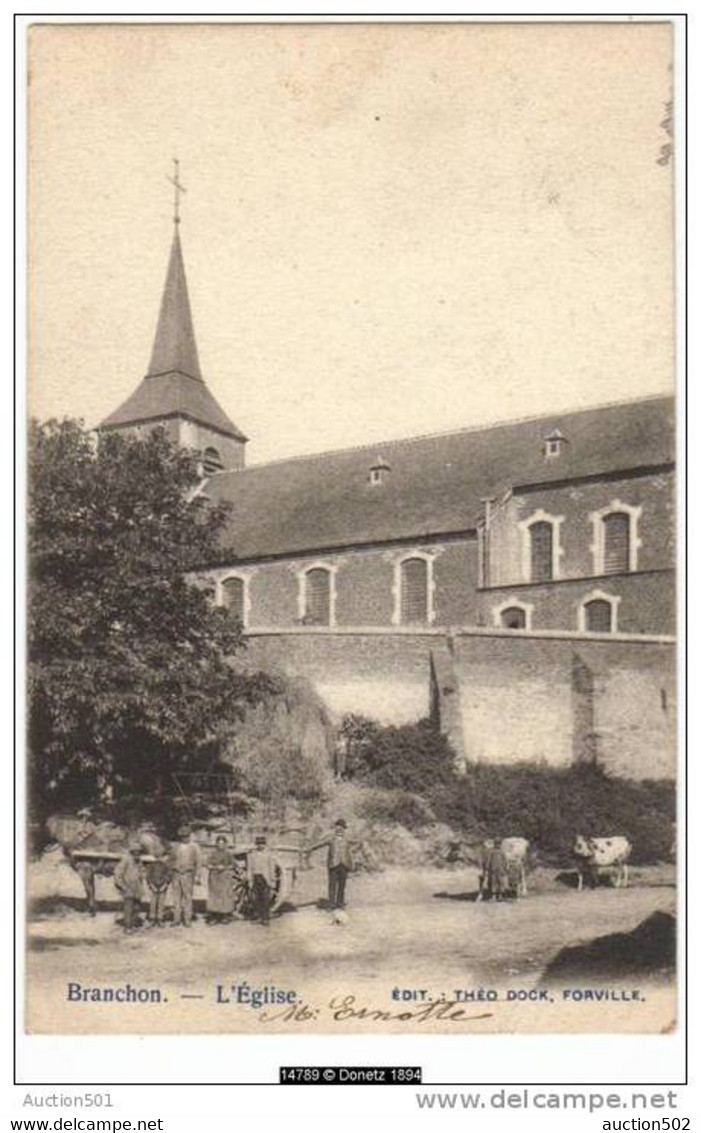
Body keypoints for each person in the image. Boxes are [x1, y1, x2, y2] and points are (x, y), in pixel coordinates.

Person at [308, 818, 354, 910]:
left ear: (344, 829)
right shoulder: (330, 838)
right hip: (333, 864)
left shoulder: (348, 839)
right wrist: (309, 848)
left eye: (341, 827)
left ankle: (340, 904)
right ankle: (331, 905)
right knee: (332, 885)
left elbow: (359, 843)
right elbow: (319, 844)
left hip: (344, 865)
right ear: (335, 828)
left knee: (342, 886)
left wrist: (352, 853)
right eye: (338, 826)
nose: (339, 829)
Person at [169, 827, 203, 927]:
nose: (184, 838)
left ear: (189, 835)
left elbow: (199, 862)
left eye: (186, 836)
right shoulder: (176, 846)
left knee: (187, 897)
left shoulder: (194, 847)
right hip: (176, 874)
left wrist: (198, 876)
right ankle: (176, 919)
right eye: (182, 836)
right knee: (176, 897)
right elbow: (170, 860)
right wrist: (172, 871)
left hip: (188, 874)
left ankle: (187, 919)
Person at [246, 835, 279, 926]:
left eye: (262, 844)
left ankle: (265, 918)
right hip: (255, 877)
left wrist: (272, 880)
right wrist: (249, 879)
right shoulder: (252, 855)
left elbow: (272, 867)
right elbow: (249, 868)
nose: (260, 846)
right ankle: (257, 917)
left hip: (265, 878)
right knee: (255, 898)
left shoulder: (269, 855)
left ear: (265, 845)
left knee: (265, 898)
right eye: (259, 844)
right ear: (256, 845)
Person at [114, 840, 144, 933]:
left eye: (139, 851)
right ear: (131, 851)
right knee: (128, 907)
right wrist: (122, 886)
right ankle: (127, 927)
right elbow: (117, 873)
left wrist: (142, 876)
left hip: (137, 886)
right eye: (135, 851)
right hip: (128, 886)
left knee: (137, 907)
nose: (137, 853)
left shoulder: (139, 861)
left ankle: (134, 924)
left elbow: (141, 871)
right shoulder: (126, 860)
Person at [206, 836, 235, 924]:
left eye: (222, 843)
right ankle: (214, 916)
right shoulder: (212, 854)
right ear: (216, 844)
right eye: (219, 843)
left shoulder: (228, 854)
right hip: (214, 876)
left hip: (225, 877)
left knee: (225, 895)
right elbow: (207, 864)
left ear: (225, 844)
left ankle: (224, 916)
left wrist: (224, 867)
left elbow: (233, 865)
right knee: (214, 895)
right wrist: (214, 867)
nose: (220, 845)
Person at [144, 848, 171, 927]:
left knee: (161, 903)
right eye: (157, 857)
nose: (159, 859)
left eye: (161, 857)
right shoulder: (151, 866)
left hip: (163, 887)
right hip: (153, 887)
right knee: (153, 903)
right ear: (155, 857)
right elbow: (148, 876)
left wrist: (165, 885)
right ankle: (152, 919)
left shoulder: (166, 866)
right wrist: (152, 885)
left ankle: (160, 918)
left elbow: (168, 875)